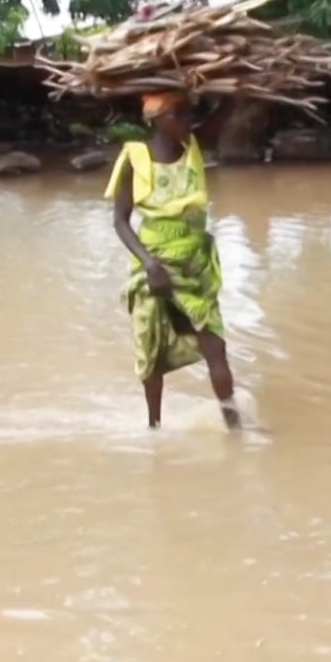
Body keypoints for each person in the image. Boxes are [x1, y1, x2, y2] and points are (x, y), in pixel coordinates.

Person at [105, 91, 241, 430]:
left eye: (188, 112)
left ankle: (235, 426)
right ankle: (155, 427)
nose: (186, 120)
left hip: (195, 265)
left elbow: (228, 106)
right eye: (178, 114)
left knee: (215, 344)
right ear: (156, 118)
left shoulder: (193, 145)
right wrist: (149, 263)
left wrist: (228, 85)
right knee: (151, 352)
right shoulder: (135, 158)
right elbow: (121, 221)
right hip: (155, 266)